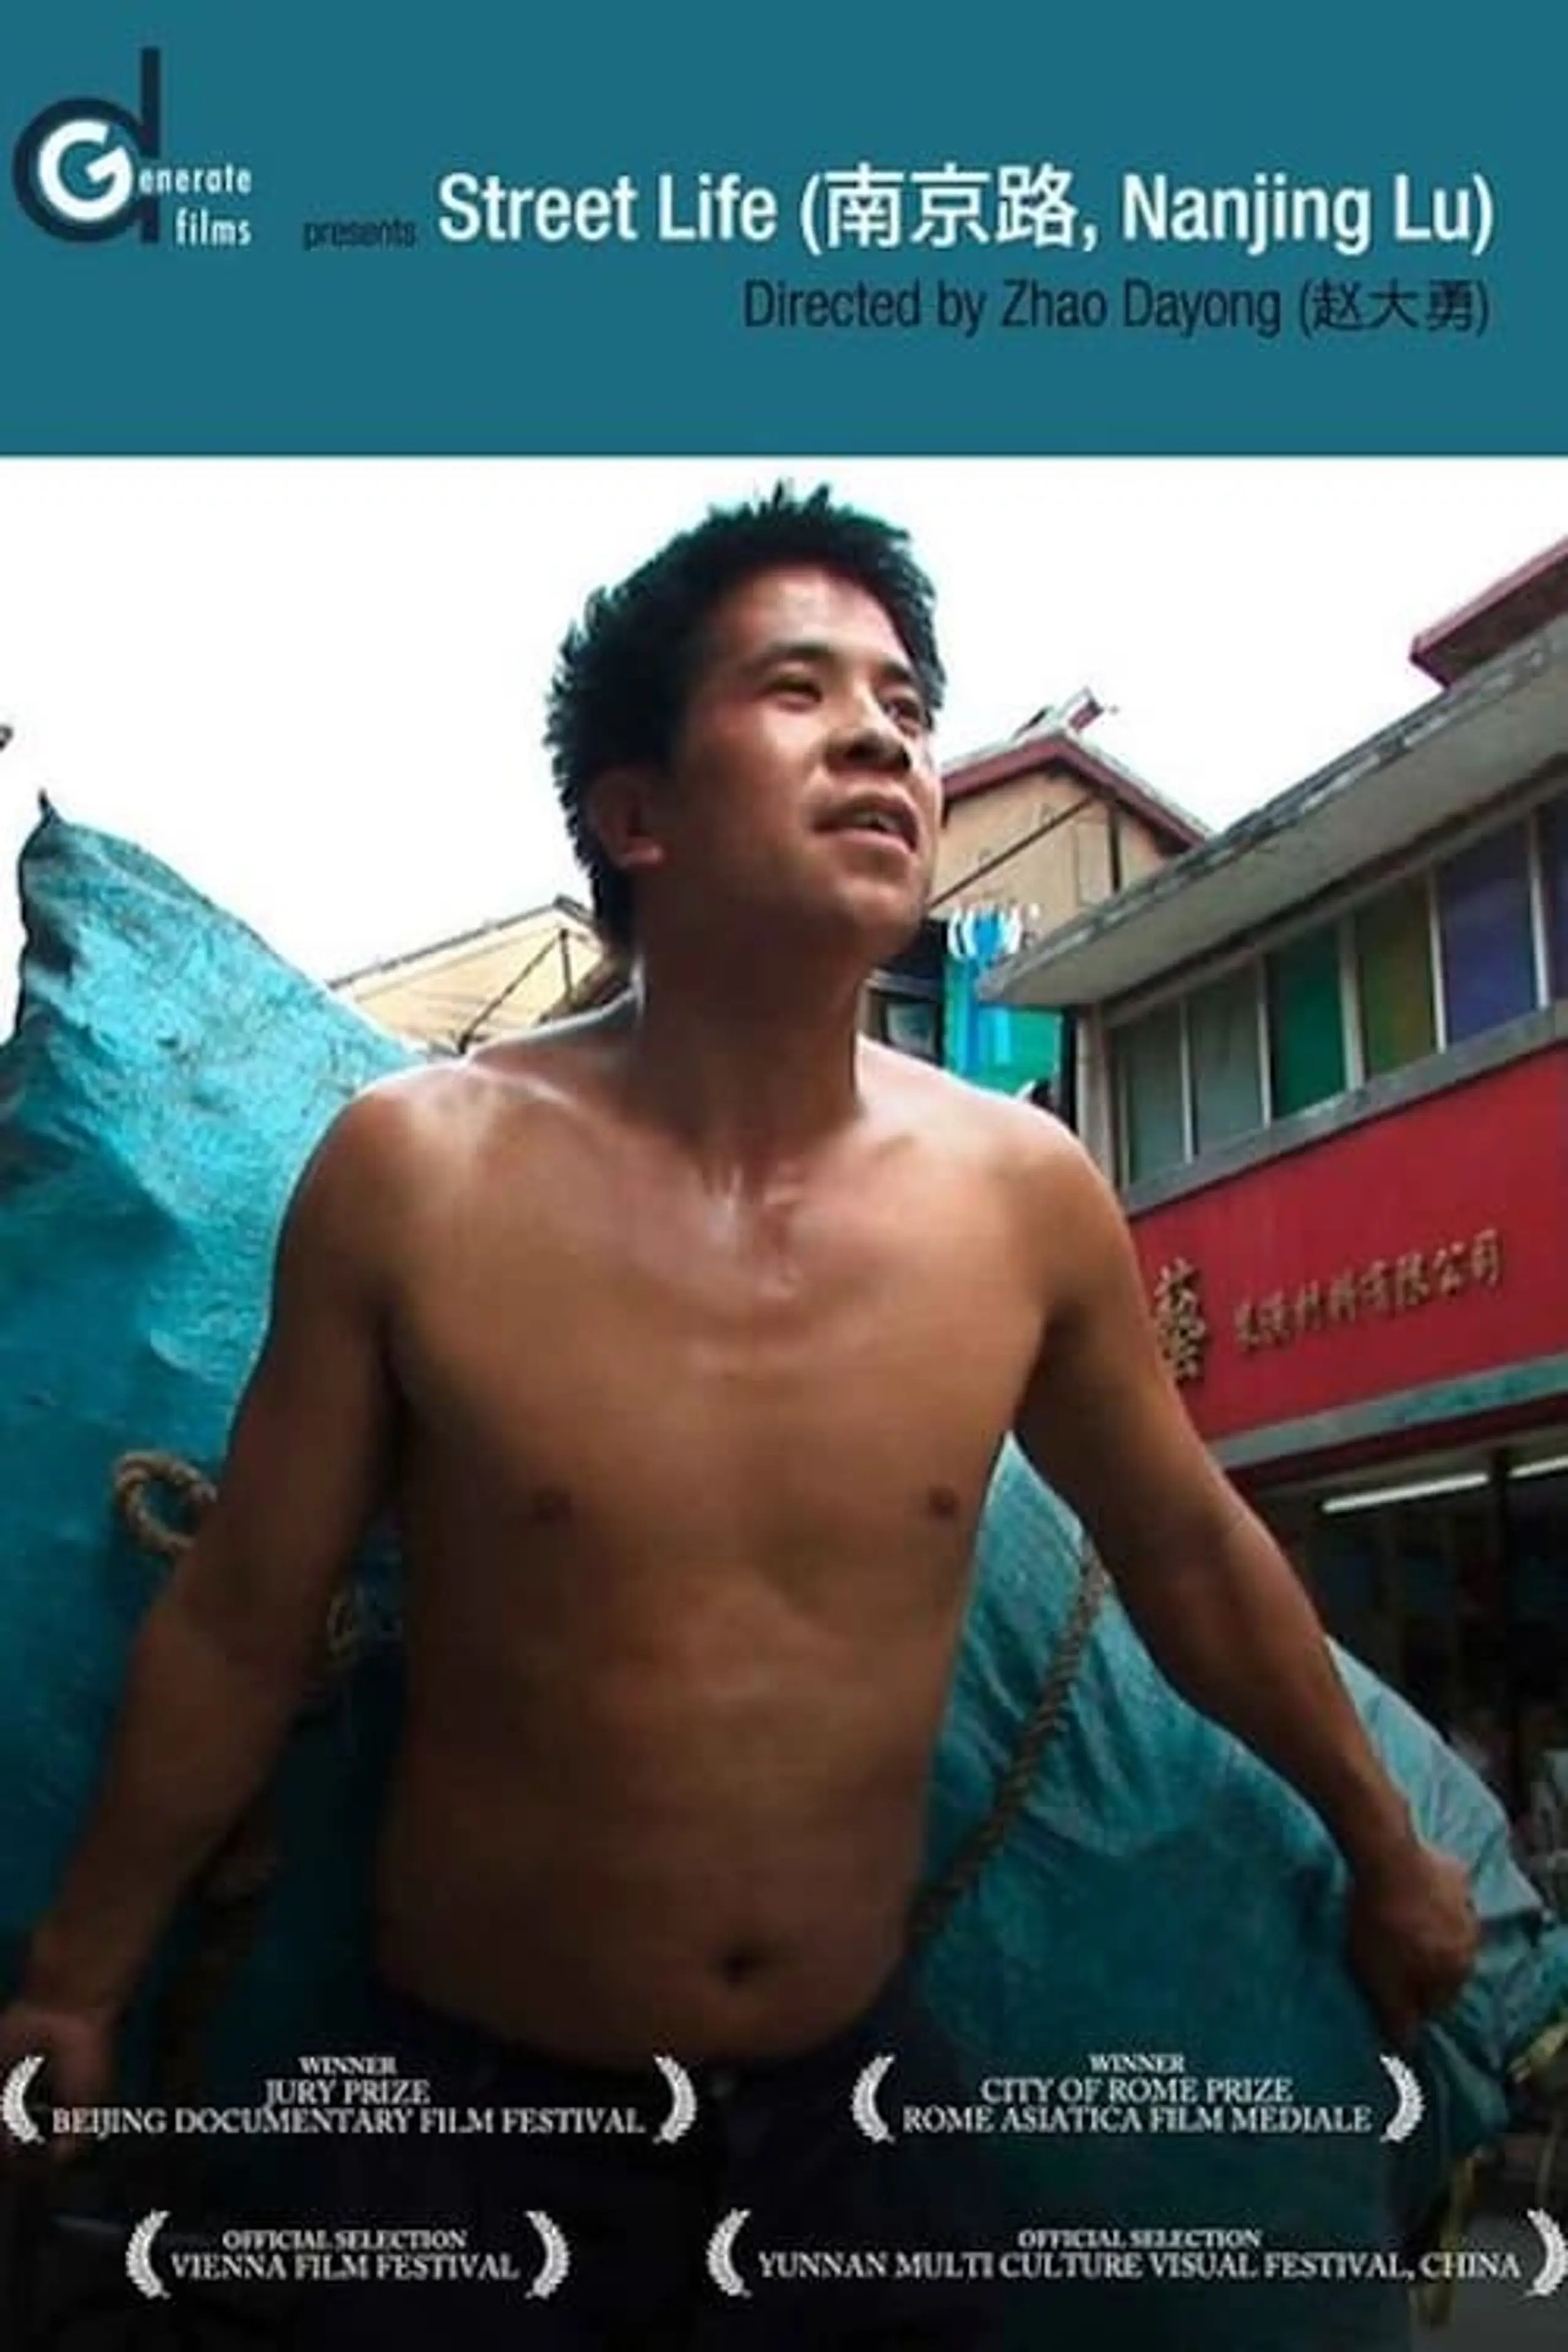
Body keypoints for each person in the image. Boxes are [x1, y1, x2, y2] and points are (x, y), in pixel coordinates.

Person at [0, 486, 1477, 2346]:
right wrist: (76, 1979)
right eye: (799, 690)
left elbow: (1188, 1551)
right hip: (473, 2118)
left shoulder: (1021, 1193)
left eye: (907, 705)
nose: (883, 734)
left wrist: (1391, 1848)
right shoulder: (419, 1173)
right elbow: (239, 1614)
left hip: (850, 2113)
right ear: (637, 816)